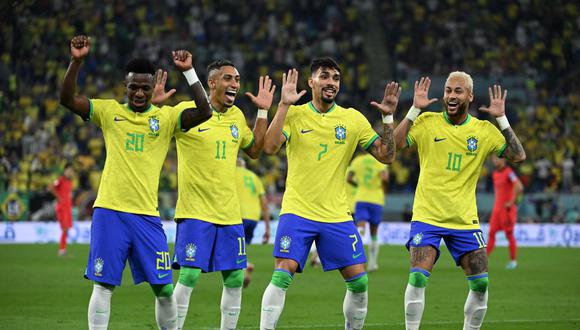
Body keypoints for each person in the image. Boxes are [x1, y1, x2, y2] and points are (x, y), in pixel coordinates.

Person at [59, 35, 212, 330]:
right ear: (125, 87)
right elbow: (66, 99)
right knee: (103, 286)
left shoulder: (166, 118)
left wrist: (189, 72)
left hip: (146, 216)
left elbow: (205, 112)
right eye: (133, 87)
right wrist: (76, 62)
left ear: (153, 85)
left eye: (144, 87)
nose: (139, 93)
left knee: (165, 289)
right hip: (109, 212)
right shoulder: (108, 111)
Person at [260, 57, 400, 330]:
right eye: (325, 76)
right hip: (297, 210)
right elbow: (269, 147)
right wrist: (284, 104)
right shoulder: (295, 114)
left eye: (336, 78)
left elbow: (386, 156)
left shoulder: (352, 119)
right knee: (282, 273)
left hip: (336, 214)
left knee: (359, 281)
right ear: (311, 82)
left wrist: (388, 118)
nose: (331, 82)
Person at [393, 73, 526, 330]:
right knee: (418, 277)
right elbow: (394, 146)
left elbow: (518, 155)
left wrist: (501, 118)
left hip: (464, 219)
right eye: (448, 91)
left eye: (458, 92)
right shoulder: (427, 122)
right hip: (427, 217)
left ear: (470, 97)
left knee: (480, 284)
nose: (452, 96)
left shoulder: (484, 131)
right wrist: (414, 110)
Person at [166, 60, 276, 330]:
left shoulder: (237, 115)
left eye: (237, 79)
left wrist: (263, 112)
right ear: (212, 83)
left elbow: (254, 150)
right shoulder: (187, 112)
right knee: (189, 275)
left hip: (229, 213)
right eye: (228, 78)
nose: (235, 84)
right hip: (194, 211)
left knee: (235, 279)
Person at [348, 152, 389, 272]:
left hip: (361, 198)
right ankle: (372, 263)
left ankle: (356, 259)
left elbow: (349, 178)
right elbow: (385, 177)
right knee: (374, 233)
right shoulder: (380, 160)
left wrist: (359, 185)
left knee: (360, 228)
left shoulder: (357, 161)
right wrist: (383, 187)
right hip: (376, 199)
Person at [235, 157, 271, 287]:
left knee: (229, 246)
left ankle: (245, 266)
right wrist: (267, 228)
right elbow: (265, 203)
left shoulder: (230, 173)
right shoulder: (254, 177)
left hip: (236, 215)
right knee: (240, 246)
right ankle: (244, 265)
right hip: (253, 218)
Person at [486, 154, 523, 269]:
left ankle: (513, 261)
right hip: (496, 210)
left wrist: (512, 202)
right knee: (491, 234)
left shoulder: (509, 172)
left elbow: (519, 186)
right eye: (493, 159)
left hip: (506, 210)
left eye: (497, 158)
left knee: (509, 234)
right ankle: (483, 260)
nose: (494, 160)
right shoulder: (495, 174)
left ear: (503, 160)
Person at [50, 162, 75, 256]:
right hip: (62, 208)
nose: (70, 173)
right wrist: (58, 197)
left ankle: (63, 249)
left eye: (71, 171)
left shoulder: (69, 182)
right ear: (65, 171)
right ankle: (61, 250)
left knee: (66, 229)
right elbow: (51, 187)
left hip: (67, 208)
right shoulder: (60, 180)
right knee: (65, 228)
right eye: (69, 171)